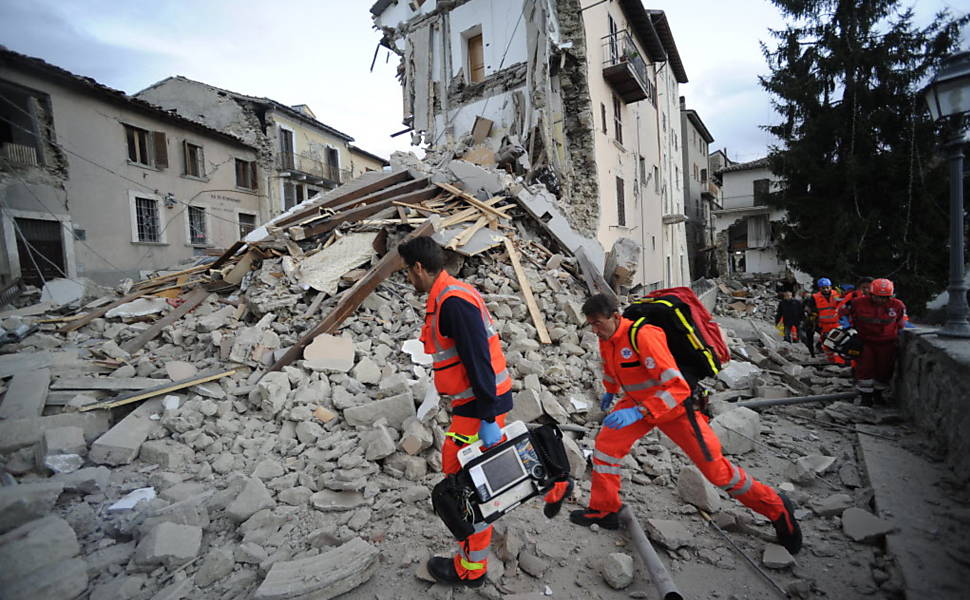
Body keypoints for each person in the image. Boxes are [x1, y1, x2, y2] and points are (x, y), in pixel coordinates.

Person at [569, 294, 802, 555]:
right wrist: (611, 391)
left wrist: (639, 411)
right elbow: (612, 368)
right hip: (637, 403)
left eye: (597, 323)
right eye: (590, 324)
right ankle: (604, 510)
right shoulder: (607, 338)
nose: (594, 329)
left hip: (675, 409)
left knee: (717, 472)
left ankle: (777, 507)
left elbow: (678, 387)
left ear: (615, 316)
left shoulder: (644, 335)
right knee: (606, 447)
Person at [398, 236, 513, 587]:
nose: (406, 279)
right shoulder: (449, 295)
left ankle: (470, 569)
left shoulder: (452, 303)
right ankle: (472, 554)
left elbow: (478, 360)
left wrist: (490, 417)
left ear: (420, 268)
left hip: (481, 408)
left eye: (407, 272)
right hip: (475, 405)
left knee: (465, 484)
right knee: (466, 479)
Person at [838, 278, 907, 406]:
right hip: (865, 341)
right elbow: (842, 313)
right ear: (871, 294)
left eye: (884, 297)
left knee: (884, 369)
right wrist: (848, 328)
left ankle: (878, 395)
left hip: (887, 343)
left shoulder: (897, 306)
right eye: (877, 297)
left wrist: (900, 335)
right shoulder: (857, 303)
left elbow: (902, 322)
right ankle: (866, 397)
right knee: (865, 368)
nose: (881, 300)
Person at [805, 278, 843, 363]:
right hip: (824, 325)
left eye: (827, 287)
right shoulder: (815, 297)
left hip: (836, 324)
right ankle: (831, 362)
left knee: (838, 343)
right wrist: (812, 317)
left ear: (830, 287)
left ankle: (839, 362)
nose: (826, 289)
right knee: (826, 345)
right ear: (820, 288)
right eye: (823, 288)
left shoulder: (837, 294)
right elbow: (810, 308)